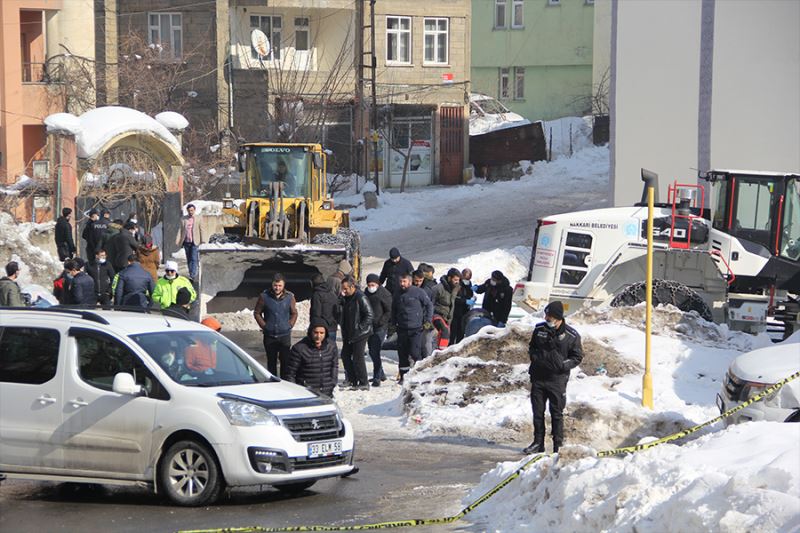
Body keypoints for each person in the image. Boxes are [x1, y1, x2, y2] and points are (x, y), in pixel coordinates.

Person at [524, 301, 583, 455]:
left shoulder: (571, 335)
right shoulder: (539, 329)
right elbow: (532, 347)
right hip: (538, 377)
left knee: (556, 414)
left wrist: (562, 366)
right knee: (538, 412)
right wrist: (535, 357)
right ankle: (538, 443)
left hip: (556, 381)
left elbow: (577, 357)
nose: (546, 318)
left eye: (549, 316)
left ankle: (558, 445)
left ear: (558, 318)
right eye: (546, 315)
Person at [253, 273, 297, 378]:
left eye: (279, 286)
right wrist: (264, 326)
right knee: (271, 362)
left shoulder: (289, 297)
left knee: (285, 362)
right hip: (270, 336)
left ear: (284, 285)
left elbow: (294, 313)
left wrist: (289, 325)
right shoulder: (264, 296)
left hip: (284, 335)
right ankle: (273, 383)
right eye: (275, 285)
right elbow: (257, 313)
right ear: (272, 284)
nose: (277, 288)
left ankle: (284, 383)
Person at [392, 273, 433, 383]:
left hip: (416, 329)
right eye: (401, 281)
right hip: (401, 329)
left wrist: (428, 321)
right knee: (402, 354)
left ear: (410, 282)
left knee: (415, 353)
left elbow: (429, 305)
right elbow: (393, 309)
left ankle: (419, 374)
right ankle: (403, 377)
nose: (402, 284)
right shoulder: (397, 293)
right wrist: (392, 324)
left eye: (404, 281)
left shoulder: (418, 292)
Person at [285, 319, 339, 398]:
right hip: (306, 394)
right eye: (316, 332)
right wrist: (296, 390)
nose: (318, 336)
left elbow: (334, 366)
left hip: (327, 393)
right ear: (310, 332)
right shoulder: (299, 348)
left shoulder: (331, 346)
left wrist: (332, 382)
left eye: (321, 333)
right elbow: (290, 374)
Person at [339, 276, 374, 390]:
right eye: (342, 289)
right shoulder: (346, 298)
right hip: (349, 332)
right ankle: (352, 380)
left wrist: (360, 328)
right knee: (345, 355)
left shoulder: (360, 297)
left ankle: (363, 382)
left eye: (346, 289)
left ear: (352, 287)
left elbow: (369, 315)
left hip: (360, 333)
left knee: (358, 357)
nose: (344, 291)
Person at [365, 273, 391, 386]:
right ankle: (381, 374)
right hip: (369, 326)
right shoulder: (366, 293)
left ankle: (377, 377)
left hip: (380, 327)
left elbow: (389, 310)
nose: (371, 287)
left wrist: (381, 321)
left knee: (375, 350)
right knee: (371, 350)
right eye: (369, 285)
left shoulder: (384, 294)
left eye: (373, 284)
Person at [431, 268, 462, 351]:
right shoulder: (438, 288)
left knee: (446, 334)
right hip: (437, 314)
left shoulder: (456, 288)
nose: (457, 282)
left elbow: (457, 299)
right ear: (449, 278)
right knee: (444, 331)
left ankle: (439, 349)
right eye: (455, 280)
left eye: (458, 280)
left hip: (448, 317)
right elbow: (430, 303)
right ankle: (441, 352)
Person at [310, 273, 341, 342]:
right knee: (331, 348)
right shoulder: (331, 292)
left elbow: (316, 313)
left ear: (312, 283)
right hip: (332, 326)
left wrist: (313, 327)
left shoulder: (317, 294)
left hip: (321, 329)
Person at [177, 203, 204, 281]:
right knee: (188, 258)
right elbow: (180, 230)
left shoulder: (198, 218)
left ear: (194, 210)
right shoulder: (183, 219)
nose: (190, 212)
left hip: (195, 241)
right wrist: (178, 240)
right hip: (186, 241)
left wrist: (203, 241)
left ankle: (193, 274)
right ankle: (191, 272)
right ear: (187, 211)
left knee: (193, 258)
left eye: (192, 210)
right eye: (189, 210)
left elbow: (202, 230)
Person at [412, 270, 436, 357]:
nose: (418, 283)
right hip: (412, 320)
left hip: (424, 320)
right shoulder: (409, 288)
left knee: (425, 343)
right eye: (416, 281)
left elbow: (430, 306)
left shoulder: (427, 290)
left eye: (420, 281)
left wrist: (428, 320)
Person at [451, 268, 475, 345]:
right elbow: (453, 298)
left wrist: (472, 299)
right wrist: (465, 301)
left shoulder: (469, 284)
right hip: (455, 311)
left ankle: (458, 346)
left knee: (461, 332)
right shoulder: (457, 284)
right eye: (465, 279)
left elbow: (470, 294)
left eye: (468, 279)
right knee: (453, 332)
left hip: (465, 312)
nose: (466, 281)